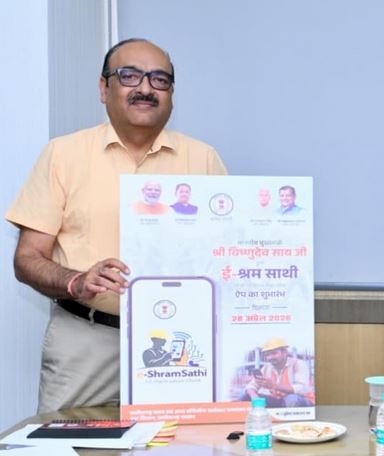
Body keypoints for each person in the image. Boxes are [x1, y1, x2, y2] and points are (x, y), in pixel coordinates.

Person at [5, 38, 227, 412]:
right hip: (86, 339)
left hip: (181, 342)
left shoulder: (203, 159)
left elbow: (227, 253)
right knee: (67, 438)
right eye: (129, 76)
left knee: (182, 439)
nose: (145, 88)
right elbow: (27, 259)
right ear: (103, 88)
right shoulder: (63, 155)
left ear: (172, 95)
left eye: (159, 79)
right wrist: (76, 280)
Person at [244, 338, 313, 407]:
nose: (270, 357)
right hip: (278, 400)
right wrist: (254, 396)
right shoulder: (266, 368)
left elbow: (301, 388)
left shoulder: (298, 364)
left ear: (285, 352)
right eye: (267, 355)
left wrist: (275, 386)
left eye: (274, 353)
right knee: (245, 396)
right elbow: (251, 385)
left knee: (292, 399)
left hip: (301, 400)